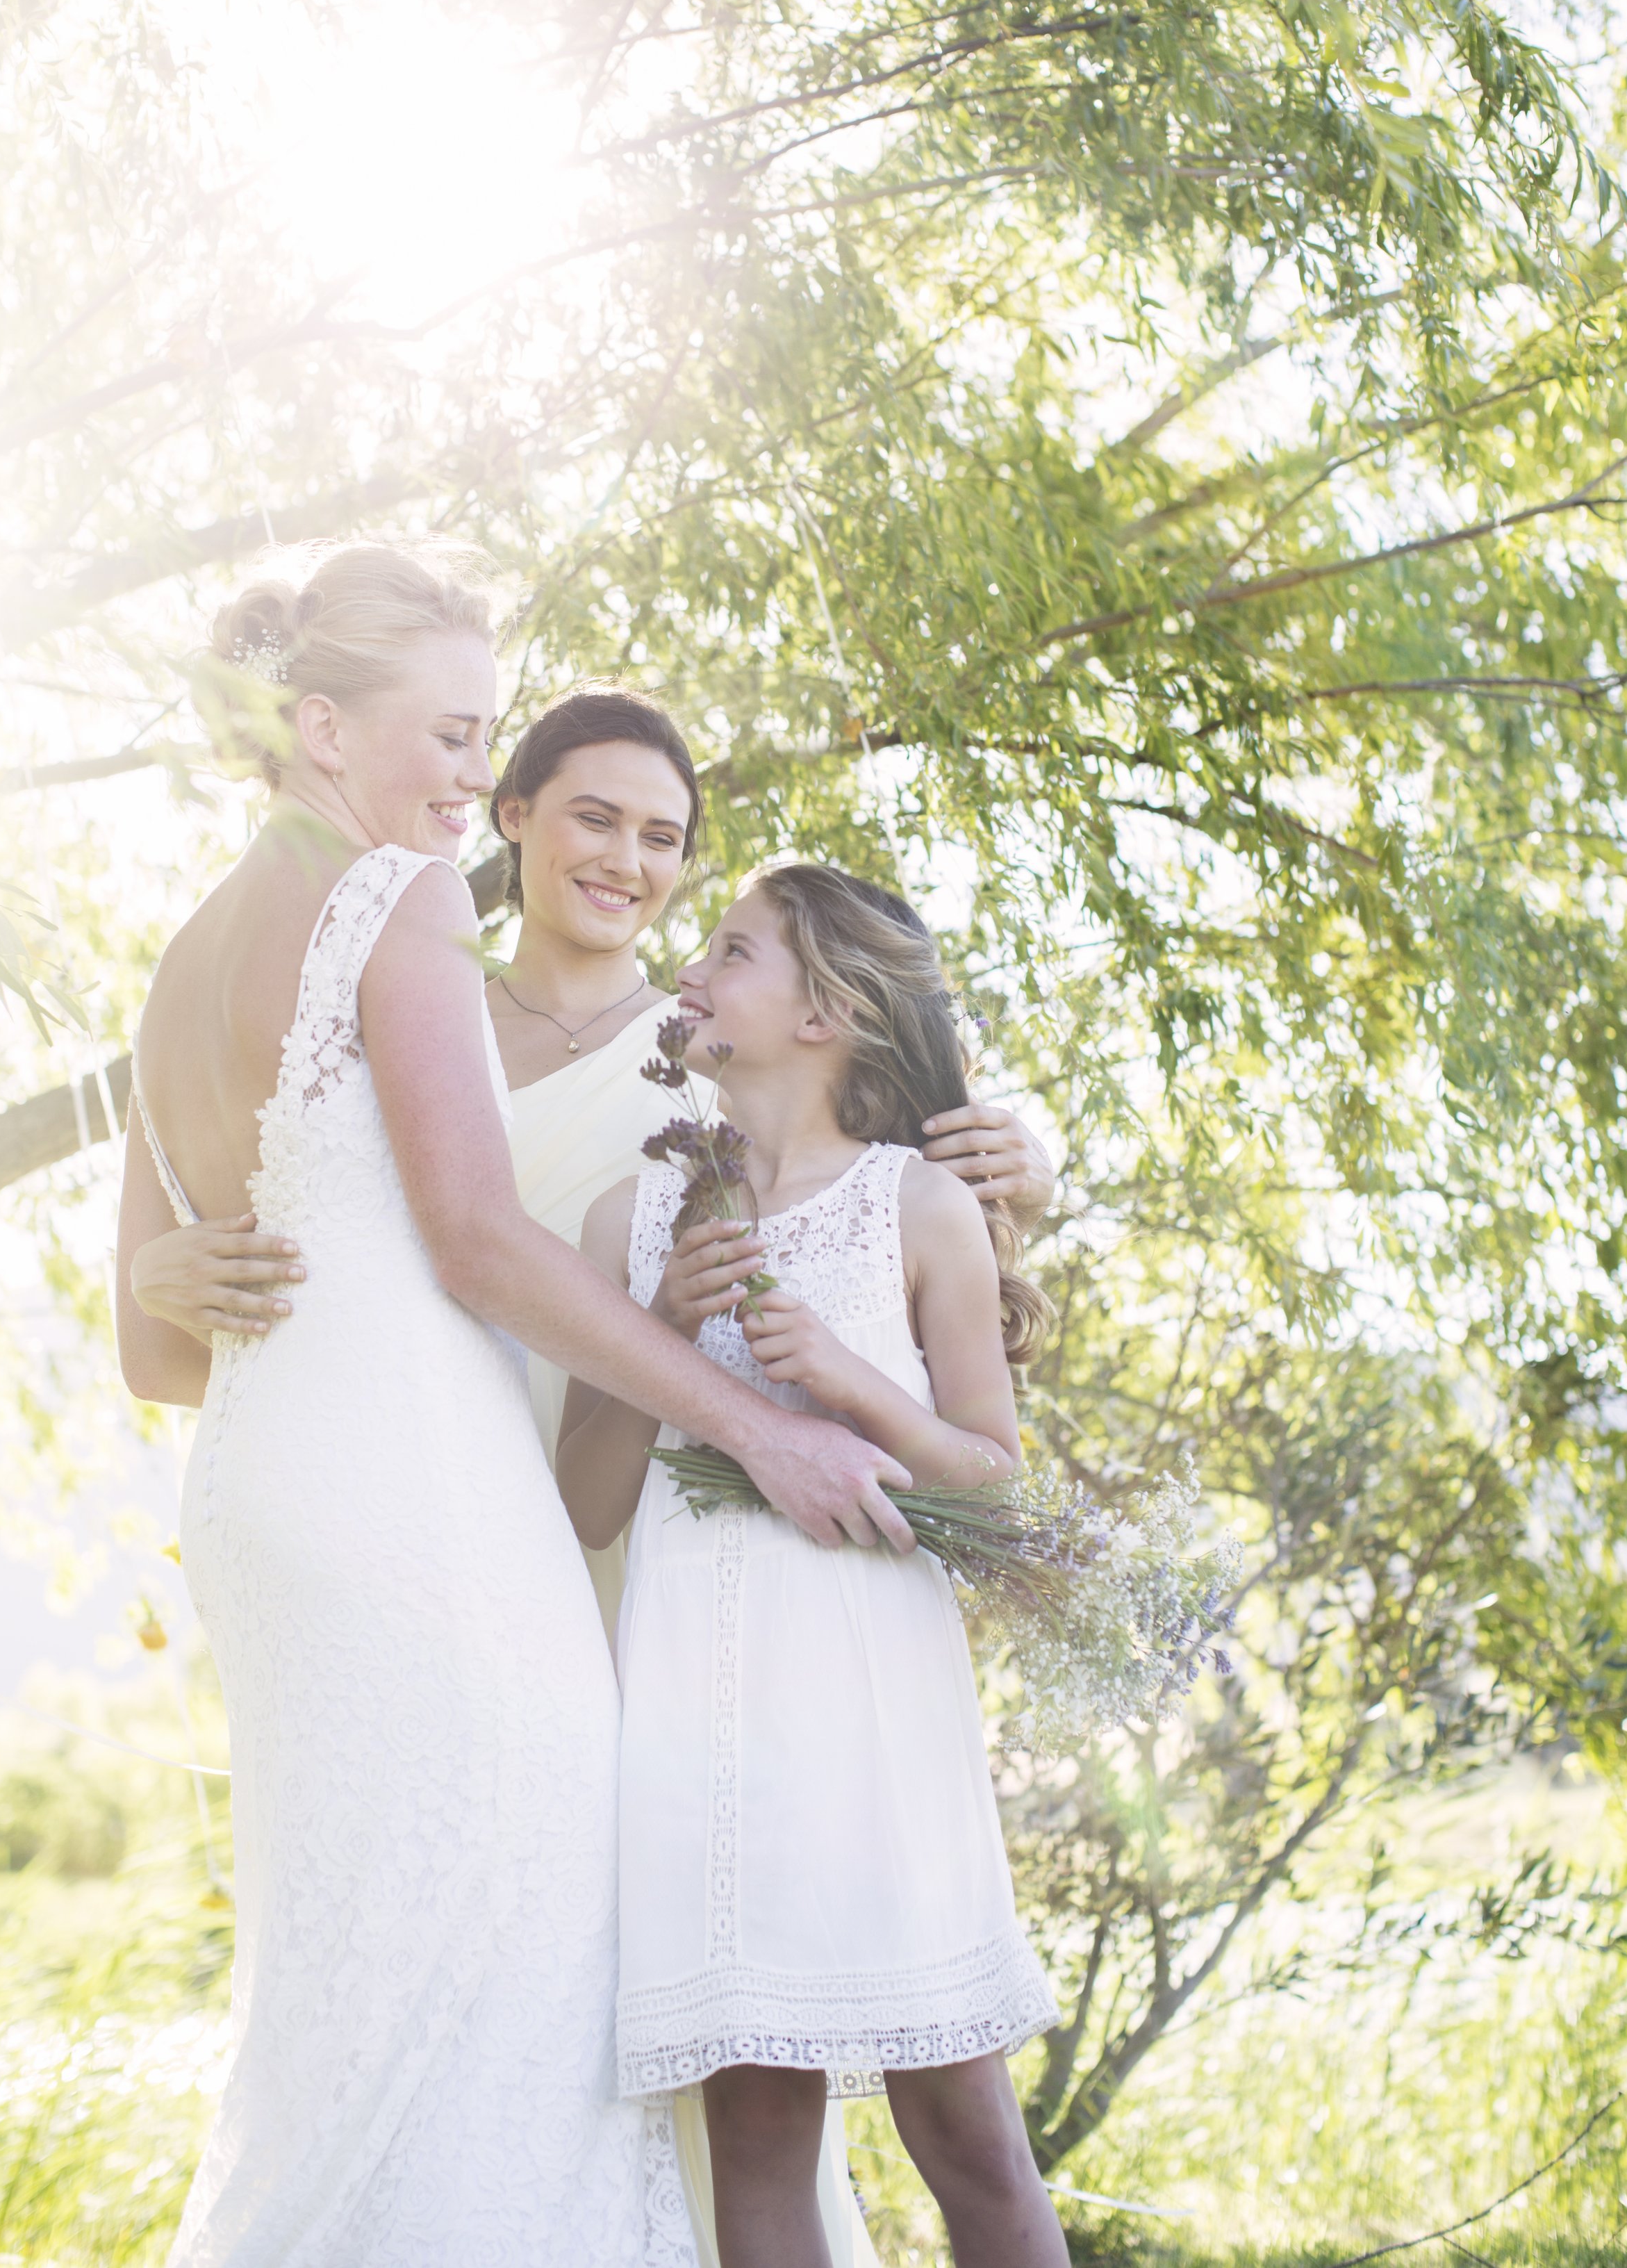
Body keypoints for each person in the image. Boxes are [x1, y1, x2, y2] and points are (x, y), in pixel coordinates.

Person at [129, 682, 1055, 2267]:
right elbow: (304, 1241)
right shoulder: (390, 983)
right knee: (596, 2033)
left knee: (852, 2093)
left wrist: (1022, 1153)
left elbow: (882, 1170)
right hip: (506, 1547)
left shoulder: (697, 1070)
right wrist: (170, 1272)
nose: (627, 861)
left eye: (665, 841)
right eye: (589, 817)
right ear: (508, 818)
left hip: (755, 1574)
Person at [556, 863, 1069, 2268]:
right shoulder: (627, 1223)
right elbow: (588, 1504)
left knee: (967, 2132)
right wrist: (659, 1334)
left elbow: (995, 1484)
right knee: (760, 2146)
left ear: (826, 1011)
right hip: (702, 1730)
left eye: (732, 952)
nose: (693, 973)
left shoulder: (915, 1206)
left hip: (869, 1718)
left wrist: (855, 1387)